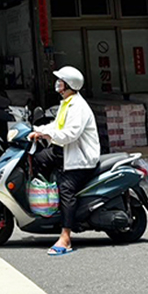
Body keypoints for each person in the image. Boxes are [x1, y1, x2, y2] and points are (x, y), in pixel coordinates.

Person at [28, 66, 100, 256]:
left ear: (68, 85)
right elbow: (56, 125)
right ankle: (45, 205)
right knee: (36, 160)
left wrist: (44, 133)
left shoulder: (78, 107)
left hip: (79, 158)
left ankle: (66, 237)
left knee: (66, 190)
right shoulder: (66, 103)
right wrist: (36, 129)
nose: (57, 83)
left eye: (60, 80)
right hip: (64, 152)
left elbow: (70, 134)